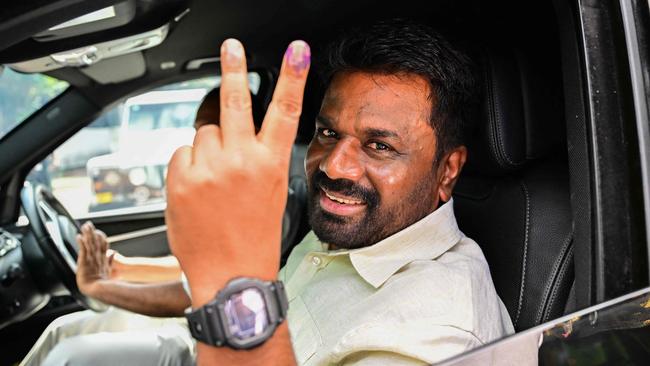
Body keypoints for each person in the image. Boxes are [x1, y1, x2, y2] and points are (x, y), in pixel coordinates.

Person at [28, 19, 514, 365]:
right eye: (327, 133)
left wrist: (234, 279)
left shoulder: (438, 333)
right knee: (68, 338)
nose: (335, 165)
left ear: (448, 170)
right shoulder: (352, 234)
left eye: (379, 146)